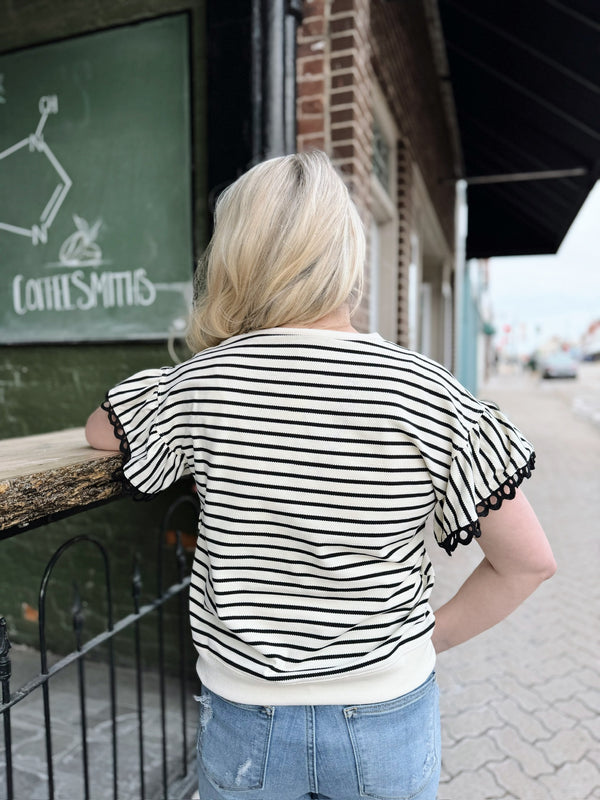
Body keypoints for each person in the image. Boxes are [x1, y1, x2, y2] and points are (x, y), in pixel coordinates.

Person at [86, 150, 556, 800]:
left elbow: (101, 430)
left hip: (246, 714)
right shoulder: (427, 391)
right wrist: (421, 638)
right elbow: (529, 563)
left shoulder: (203, 385)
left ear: (237, 256)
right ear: (349, 257)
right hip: (388, 714)